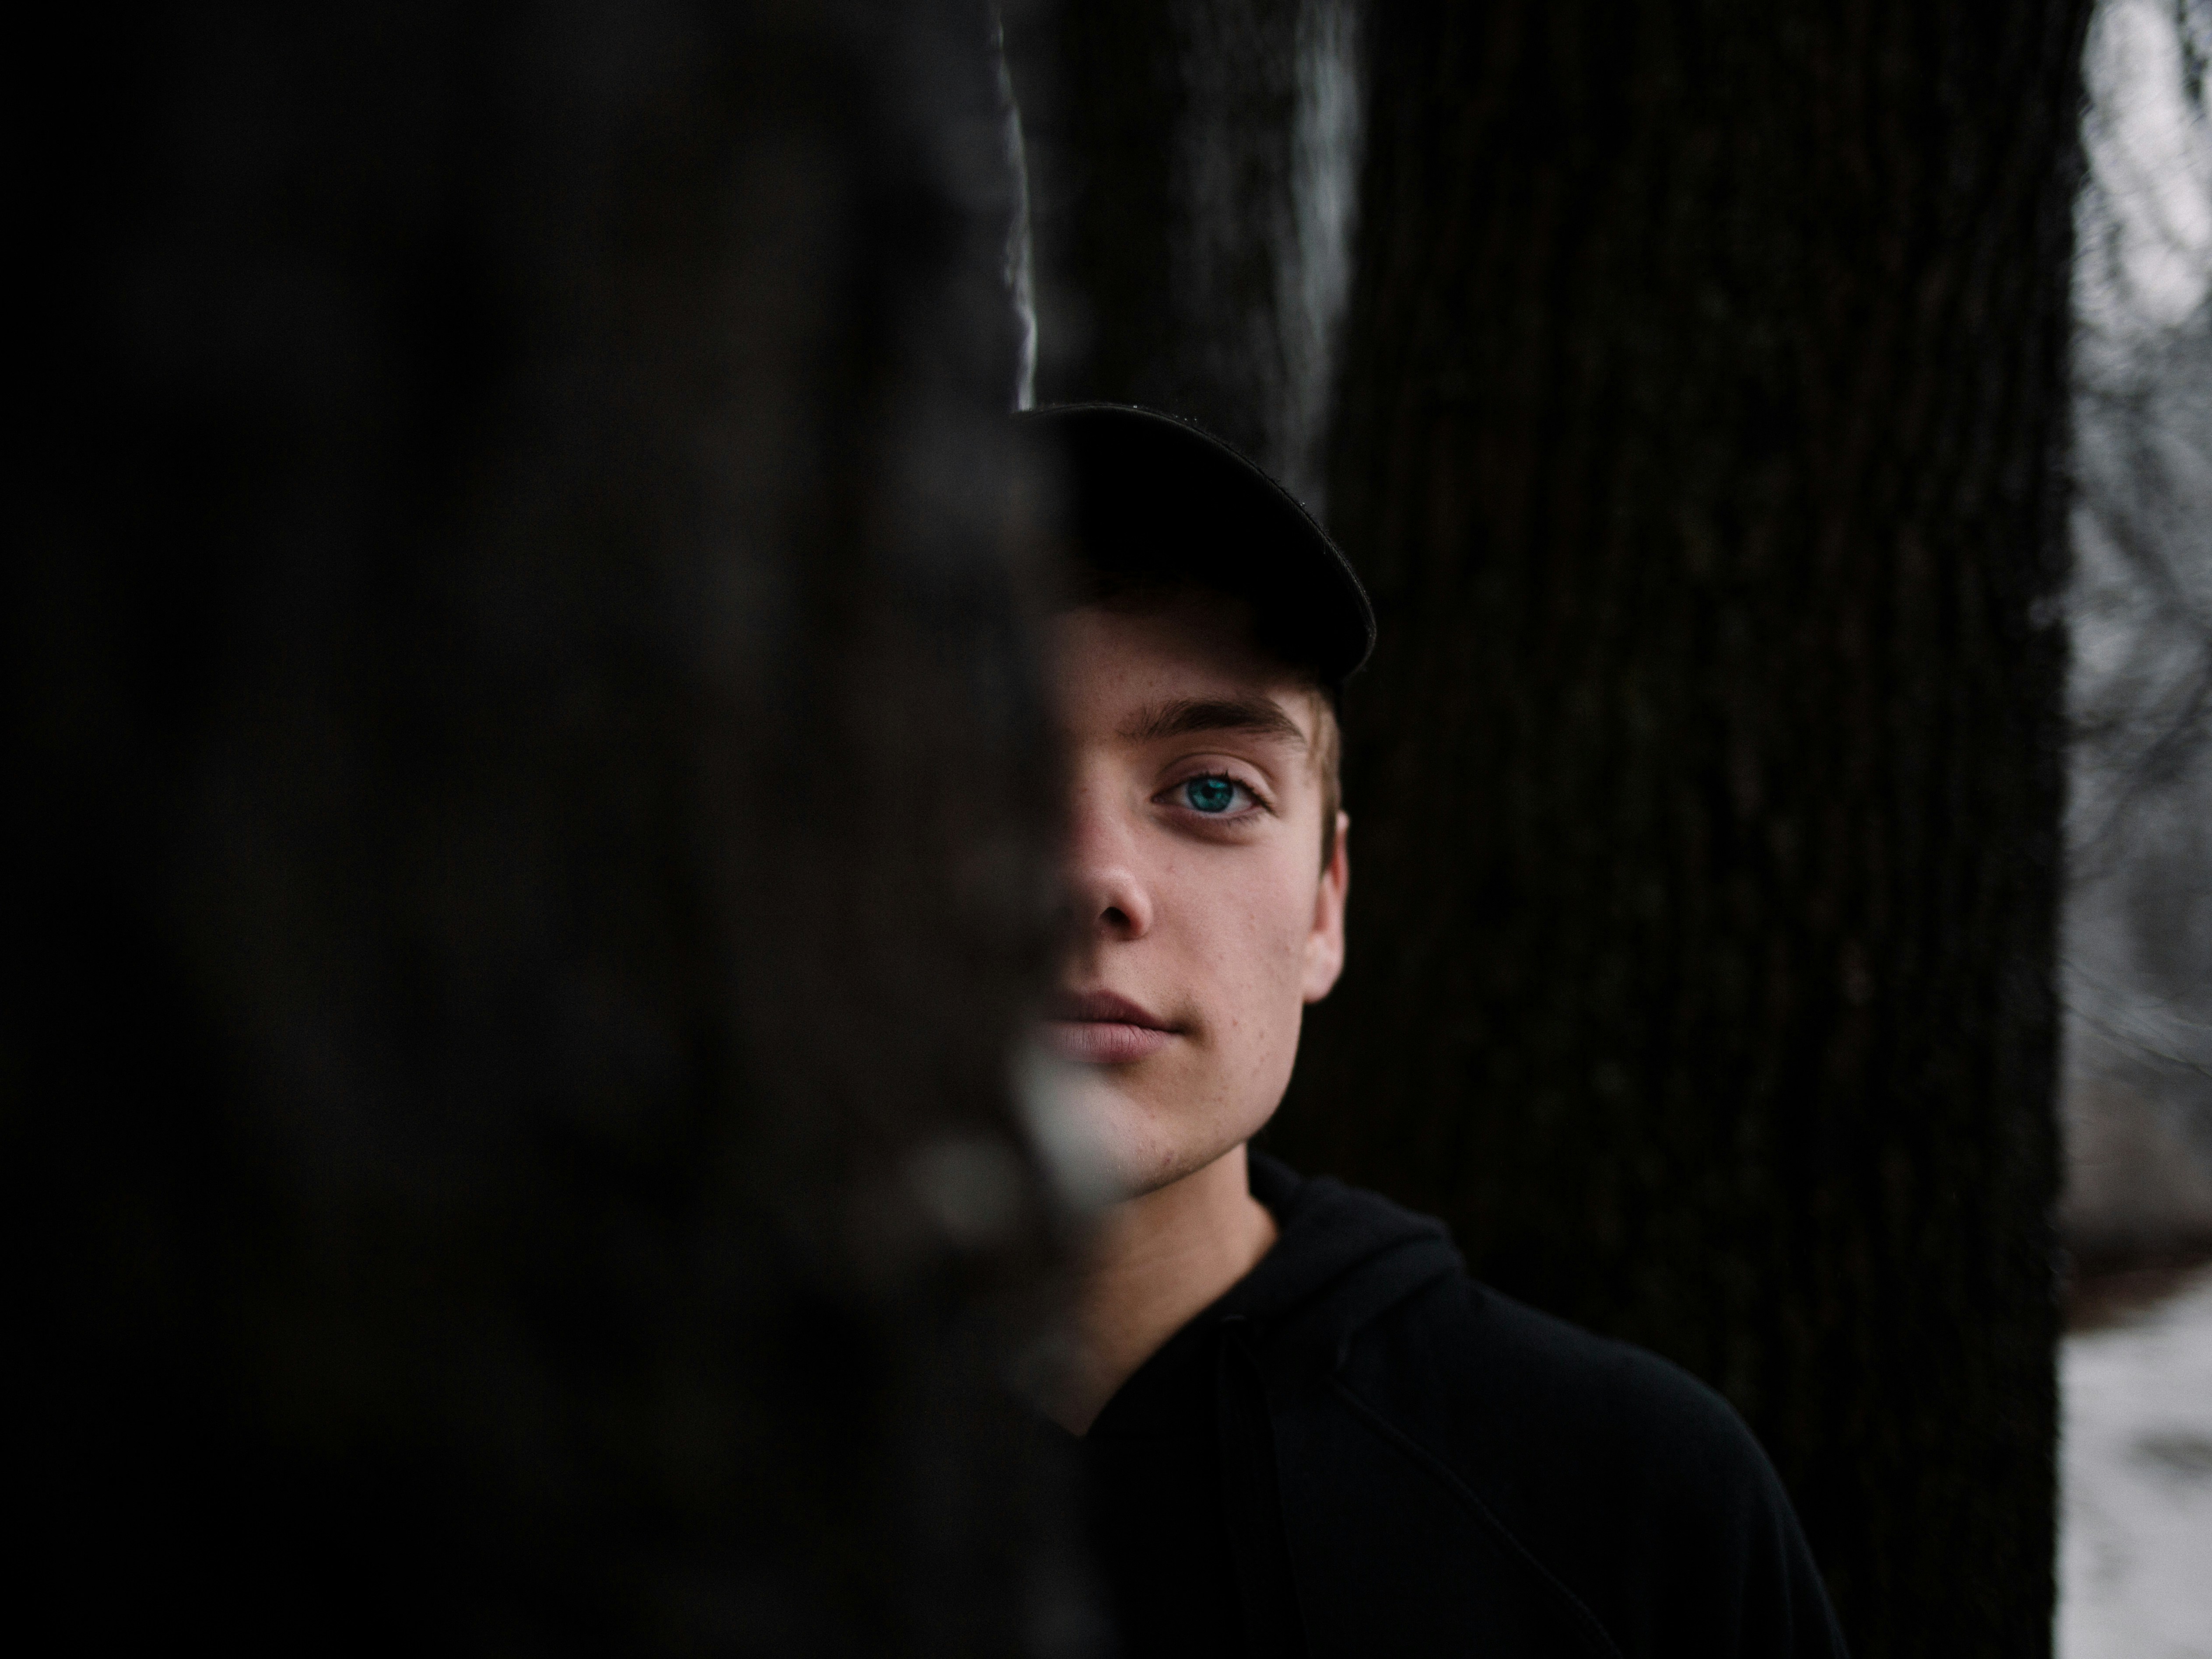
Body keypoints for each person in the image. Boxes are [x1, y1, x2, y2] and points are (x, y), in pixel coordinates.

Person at [1024, 403, 1849, 1658]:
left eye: (1211, 790)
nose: (1093, 880)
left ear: (1323, 909)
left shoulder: (1638, 1506)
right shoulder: (634, 1478)